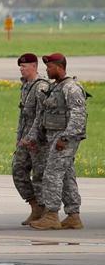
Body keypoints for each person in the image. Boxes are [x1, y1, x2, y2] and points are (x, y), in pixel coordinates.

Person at [26, 53, 89, 231]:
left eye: (50, 67)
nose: (47, 70)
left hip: (65, 138)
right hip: (53, 137)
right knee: (67, 175)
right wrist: (32, 137)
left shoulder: (71, 88)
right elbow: (42, 115)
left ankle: (52, 215)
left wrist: (65, 138)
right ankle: (73, 216)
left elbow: (78, 116)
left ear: (60, 67)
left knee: (51, 174)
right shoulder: (55, 87)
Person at [12, 53, 50, 226]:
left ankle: (45, 211)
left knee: (40, 175)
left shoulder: (41, 86)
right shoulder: (26, 86)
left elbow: (41, 116)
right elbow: (23, 116)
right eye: (20, 66)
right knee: (18, 169)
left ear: (34, 66)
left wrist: (32, 137)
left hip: (39, 140)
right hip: (25, 138)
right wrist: (20, 137)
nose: (21, 69)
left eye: (24, 66)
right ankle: (35, 206)